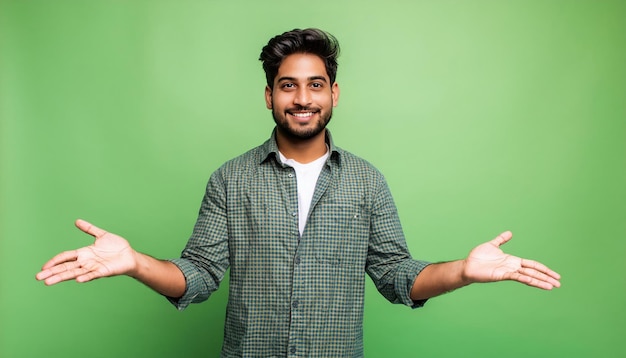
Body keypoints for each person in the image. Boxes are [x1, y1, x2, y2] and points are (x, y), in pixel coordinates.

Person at [36, 28, 561, 357]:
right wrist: (133, 263)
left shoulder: (365, 181)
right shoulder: (231, 179)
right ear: (269, 95)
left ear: (333, 93)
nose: (302, 98)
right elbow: (196, 277)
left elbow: (400, 277)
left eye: (315, 84)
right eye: (288, 84)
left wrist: (464, 273)